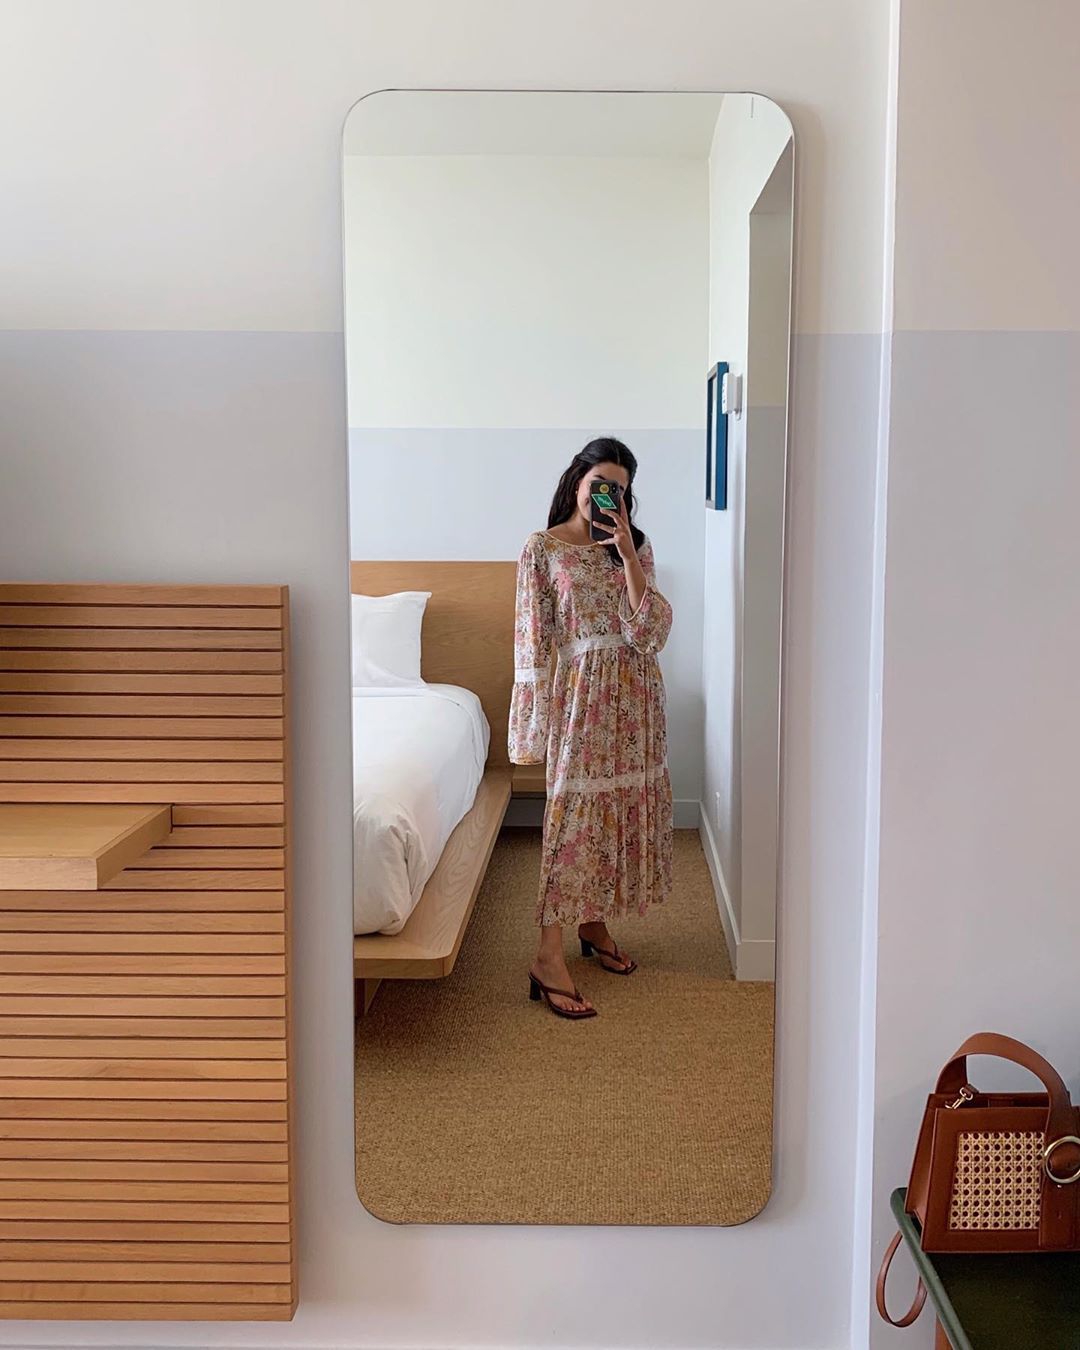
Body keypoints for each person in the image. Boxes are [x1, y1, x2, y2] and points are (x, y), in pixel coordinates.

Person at [508, 437, 673, 1019]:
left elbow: (650, 633)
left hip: (635, 696)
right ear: (577, 479)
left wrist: (626, 556)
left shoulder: (634, 547)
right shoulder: (542, 548)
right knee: (572, 817)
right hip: (580, 696)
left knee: (614, 809)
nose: (607, 496)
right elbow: (532, 639)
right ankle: (547, 956)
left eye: (619, 491)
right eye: (600, 483)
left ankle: (593, 923)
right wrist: (532, 724)